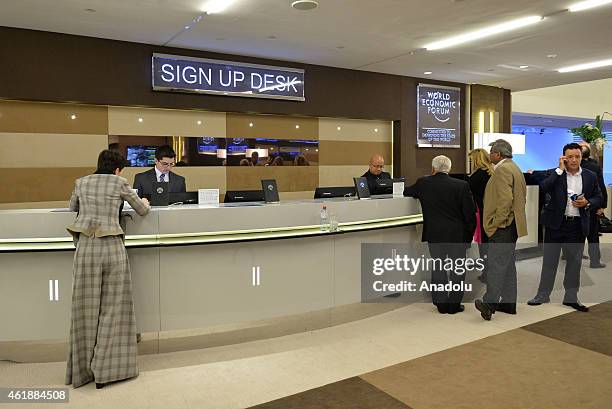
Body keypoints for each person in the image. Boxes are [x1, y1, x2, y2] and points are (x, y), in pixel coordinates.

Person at [65, 150, 150, 389]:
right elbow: (141, 210)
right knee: (114, 308)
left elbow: (72, 207)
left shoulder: (80, 182)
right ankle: (106, 370)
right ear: (117, 170)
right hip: (111, 247)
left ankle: (82, 373)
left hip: (85, 249)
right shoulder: (119, 182)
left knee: (84, 309)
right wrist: (144, 201)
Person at [527, 143, 603, 312]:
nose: (574, 160)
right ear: (563, 158)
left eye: (577, 156)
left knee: (574, 264)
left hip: (577, 225)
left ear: (581, 157)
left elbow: (599, 196)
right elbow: (544, 188)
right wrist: (559, 170)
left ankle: (571, 297)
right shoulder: (555, 173)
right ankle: (542, 295)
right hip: (555, 225)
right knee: (549, 262)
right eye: (570, 157)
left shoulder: (590, 176)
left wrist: (587, 202)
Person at [404, 155, 476, 314]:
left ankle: (441, 303)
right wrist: (468, 237)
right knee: (458, 270)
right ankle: (454, 305)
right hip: (457, 236)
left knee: (438, 268)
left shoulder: (423, 183)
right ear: (449, 169)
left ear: (433, 169)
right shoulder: (462, 185)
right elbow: (470, 215)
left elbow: (407, 191)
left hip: (435, 235)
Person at [475, 139, 527, 320]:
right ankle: (508, 303)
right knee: (508, 266)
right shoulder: (515, 168)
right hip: (512, 226)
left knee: (496, 265)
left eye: (491, 152)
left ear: (497, 154)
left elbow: (505, 201)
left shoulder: (503, 170)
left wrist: (495, 223)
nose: (489, 155)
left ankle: (489, 303)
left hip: (503, 227)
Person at [579, 141, 607, 268]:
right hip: (591, 205)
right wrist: (602, 205)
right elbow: (601, 187)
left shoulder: (570, 165)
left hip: (574, 205)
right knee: (593, 234)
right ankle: (594, 261)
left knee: (574, 232)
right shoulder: (594, 167)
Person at [467, 148, 494, 283]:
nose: (470, 162)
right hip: (489, 213)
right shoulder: (491, 172)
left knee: (483, 244)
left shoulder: (478, 175)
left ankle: (487, 273)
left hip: (480, 212)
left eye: (472, 159)